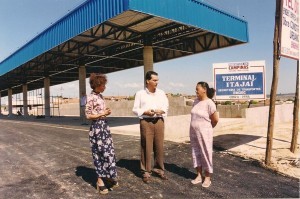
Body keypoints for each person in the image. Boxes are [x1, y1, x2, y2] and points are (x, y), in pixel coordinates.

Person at [132, 71, 169, 183]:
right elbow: (135, 109)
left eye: (157, 80)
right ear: (148, 81)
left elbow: (166, 106)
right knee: (146, 147)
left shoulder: (161, 93)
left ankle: (159, 169)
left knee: (159, 147)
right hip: (146, 122)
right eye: (154, 80)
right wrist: (145, 112)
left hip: (159, 121)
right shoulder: (140, 93)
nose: (157, 82)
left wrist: (161, 110)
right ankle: (146, 172)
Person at [85, 73, 118, 195]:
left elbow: (100, 112)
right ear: (97, 85)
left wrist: (105, 112)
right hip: (97, 129)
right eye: (103, 85)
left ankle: (108, 175)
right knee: (99, 153)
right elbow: (88, 115)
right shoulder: (90, 97)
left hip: (104, 127)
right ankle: (100, 180)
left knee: (109, 153)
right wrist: (101, 114)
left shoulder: (101, 96)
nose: (105, 87)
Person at [189, 82, 219, 188]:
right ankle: (198, 176)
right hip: (193, 133)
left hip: (205, 133)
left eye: (197, 89)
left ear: (204, 90)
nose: (196, 91)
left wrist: (207, 129)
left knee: (206, 153)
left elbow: (215, 120)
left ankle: (207, 177)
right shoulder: (195, 101)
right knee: (195, 153)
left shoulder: (209, 103)